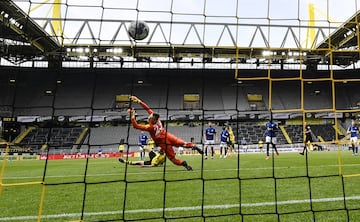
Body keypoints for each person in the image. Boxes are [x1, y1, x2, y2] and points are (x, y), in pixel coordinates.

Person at [128, 95, 203, 171]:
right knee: (183, 143)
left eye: (151, 118)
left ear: (153, 120)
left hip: (164, 143)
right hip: (168, 136)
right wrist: (139, 101)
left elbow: (136, 126)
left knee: (172, 159)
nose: (149, 117)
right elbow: (147, 109)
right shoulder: (157, 119)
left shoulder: (150, 127)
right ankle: (193, 146)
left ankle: (184, 164)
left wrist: (132, 116)